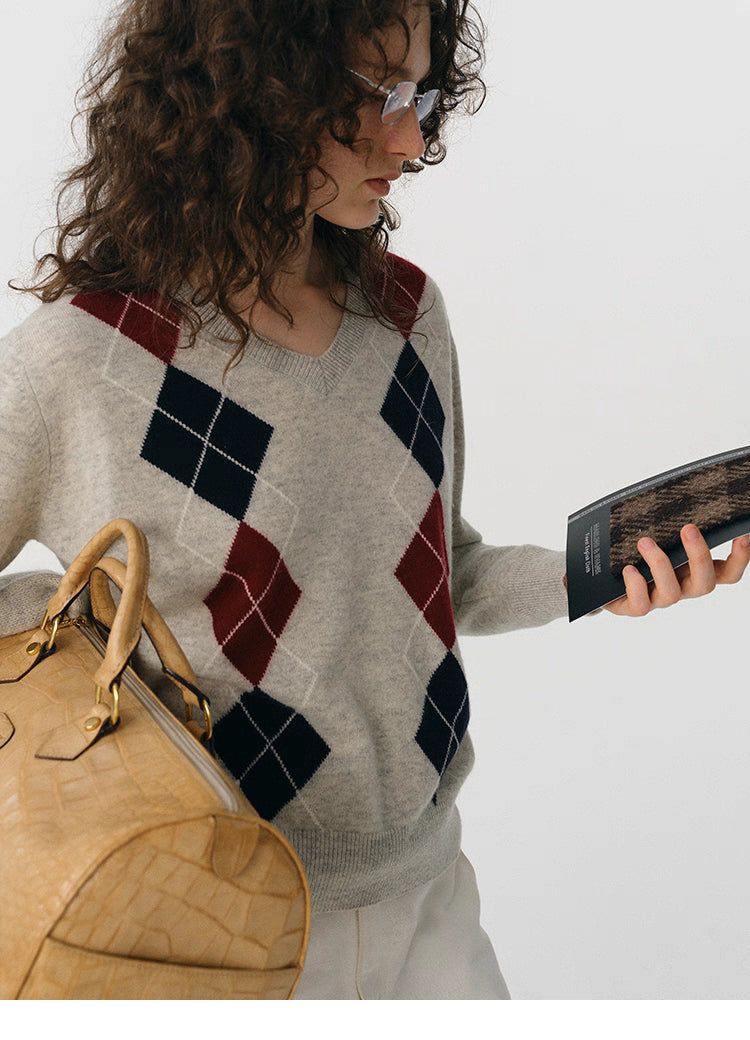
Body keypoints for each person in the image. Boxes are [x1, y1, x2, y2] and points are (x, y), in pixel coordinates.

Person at [1, 0, 748, 1000]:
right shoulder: (84, 358)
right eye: (377, 94)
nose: (412, 139)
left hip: (430, 889)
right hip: (217, 919)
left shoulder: (404, 319)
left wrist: (606, 576)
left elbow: (448, 571)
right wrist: (78, 625)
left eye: (424, 95)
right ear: (247, 86)